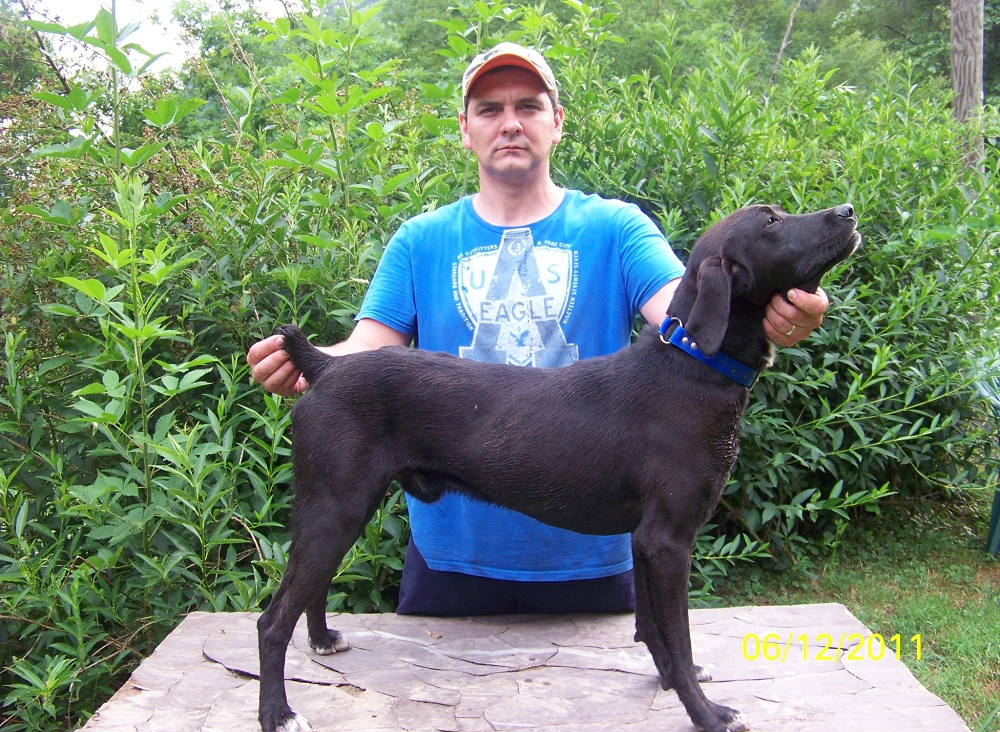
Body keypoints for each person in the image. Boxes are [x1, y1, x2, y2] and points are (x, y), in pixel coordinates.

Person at [247, 43, 829, 617]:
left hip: (591, 564)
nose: (510, 123)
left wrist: (781, 305)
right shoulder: (419, 240)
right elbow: (368, 351)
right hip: (451, 562)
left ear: (557, 122)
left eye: (528, 106)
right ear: (465, 128)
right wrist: (311, 363)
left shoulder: (617, 228)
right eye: (489, 109)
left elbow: (689, 315)